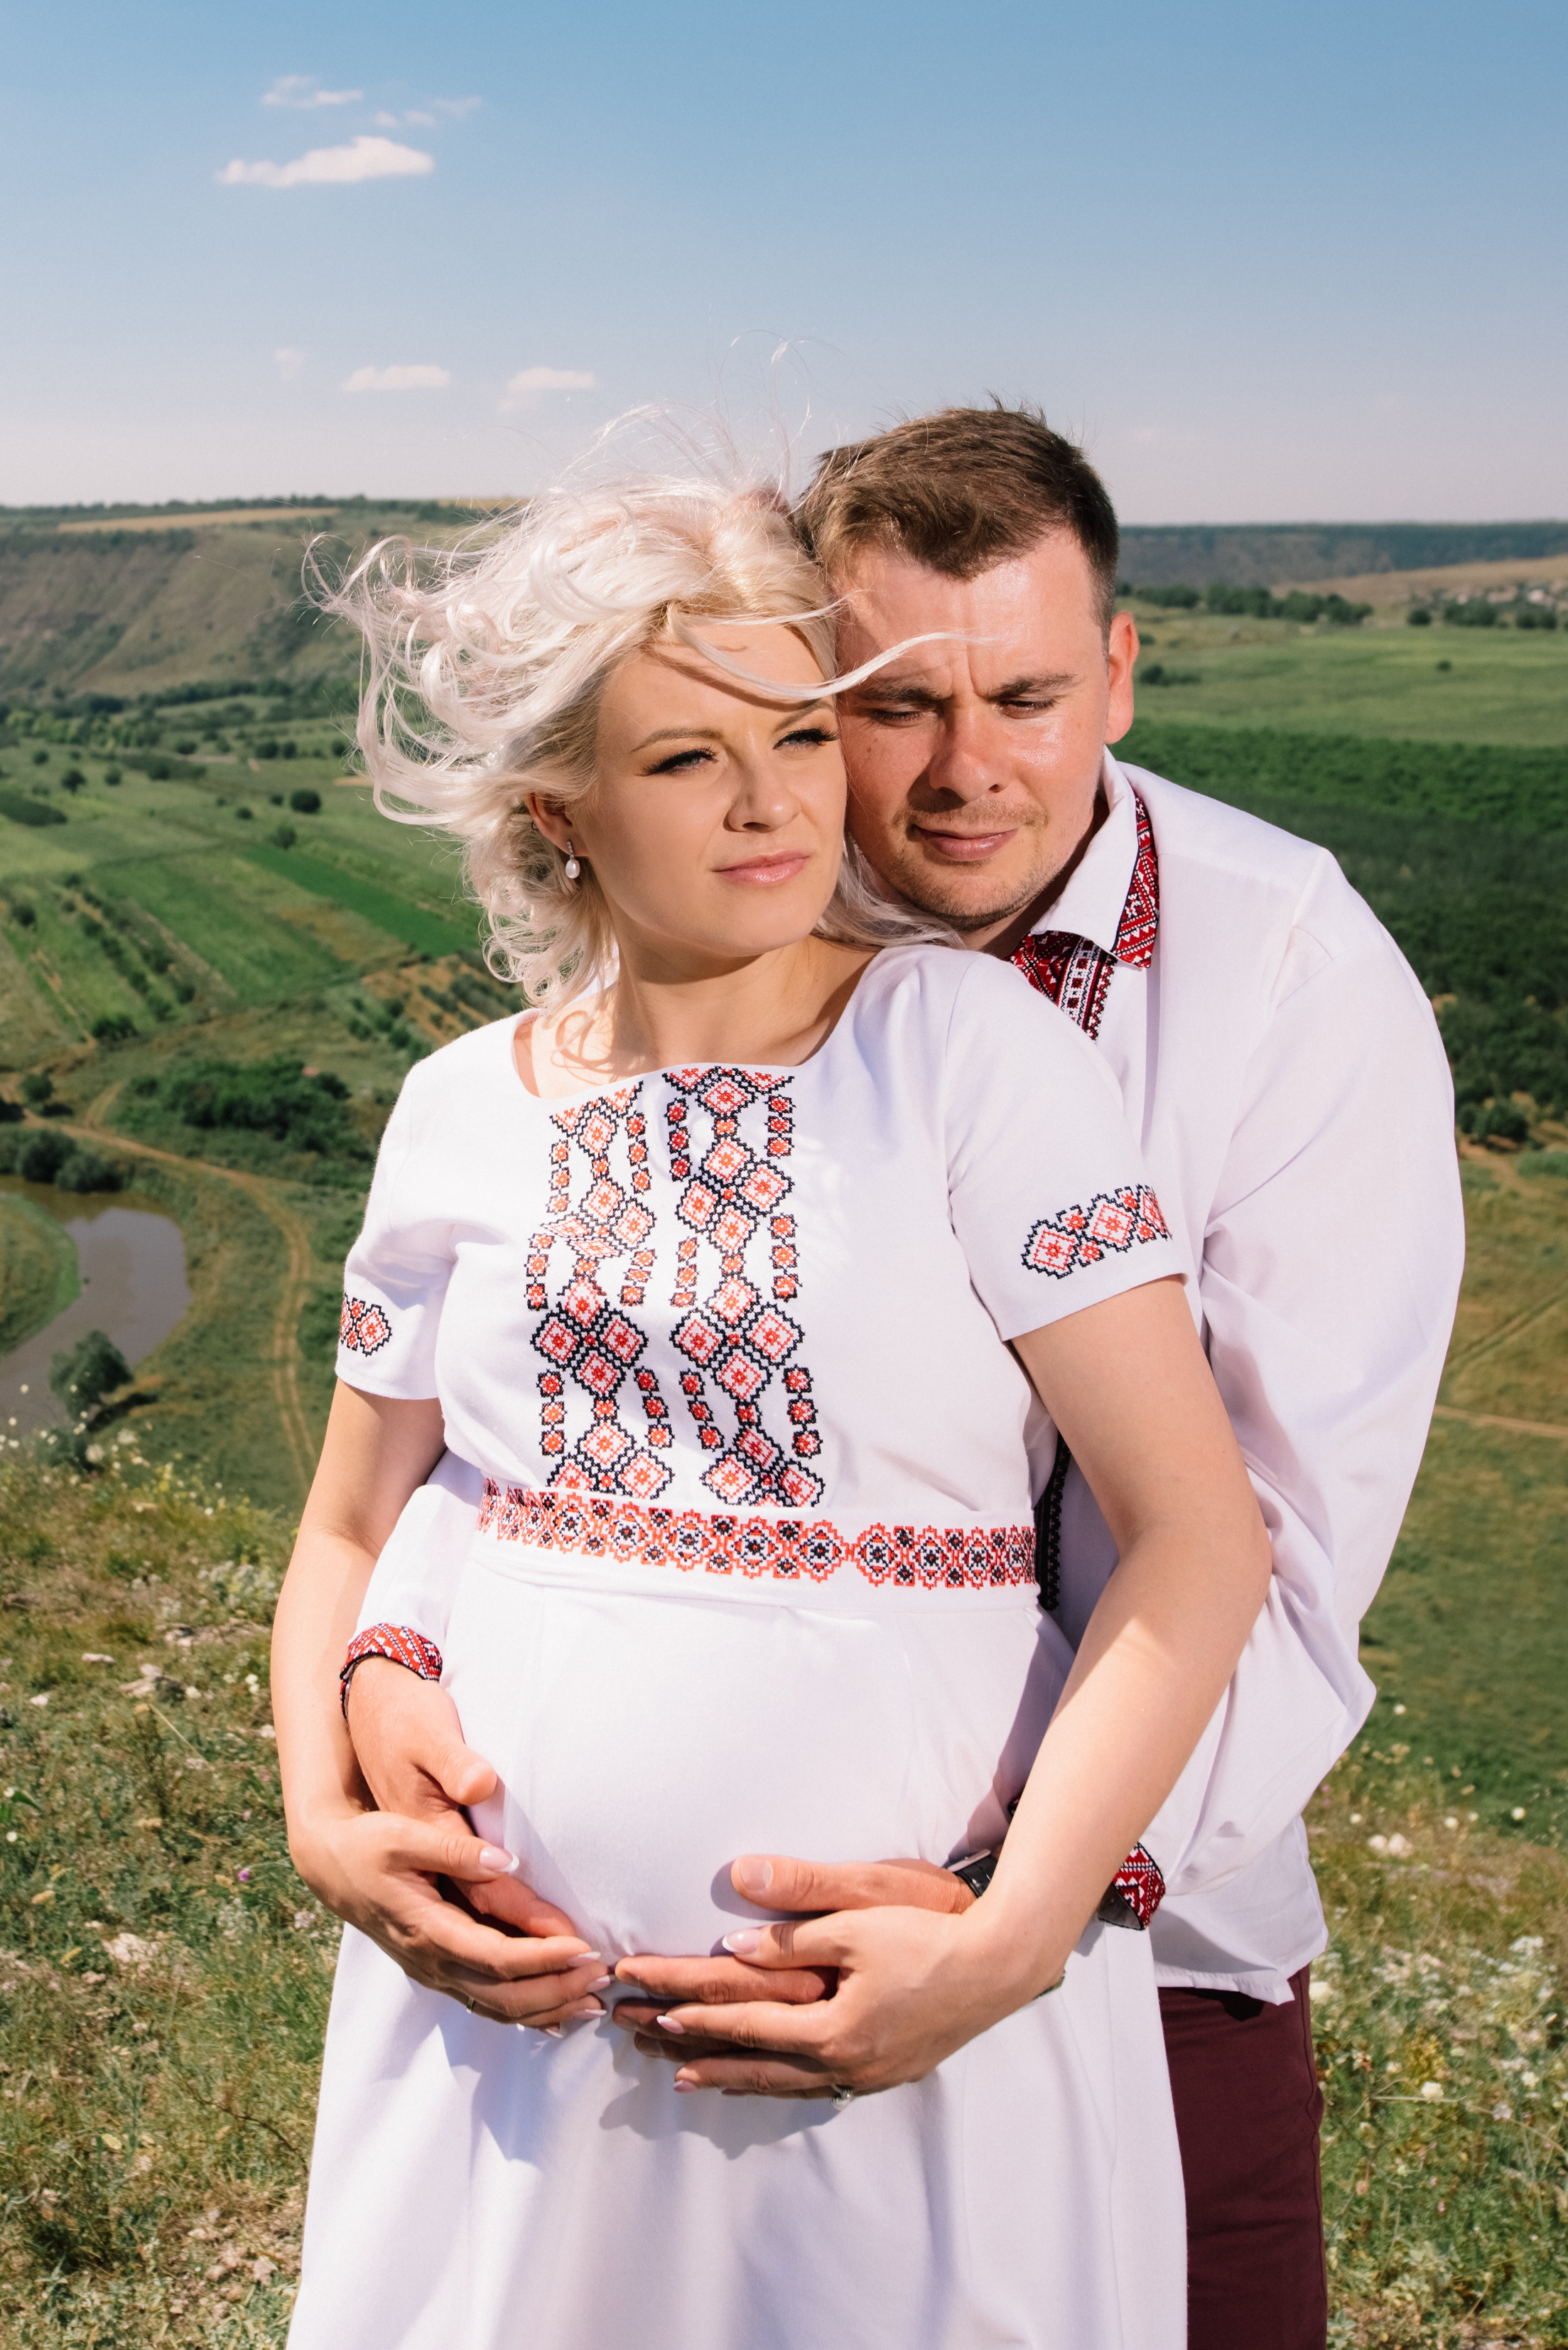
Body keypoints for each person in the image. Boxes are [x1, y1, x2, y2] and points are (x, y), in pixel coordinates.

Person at [333, 411, 1465, 2350]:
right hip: (581, 2047)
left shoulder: (1294, 980)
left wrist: (1023, 1917)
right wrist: (385, 1660)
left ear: (1119, 668)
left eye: (1026, 695)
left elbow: (1265, 1546)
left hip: (1144, 1930)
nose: (960, 772)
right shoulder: (749, 908)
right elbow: (514, 1431)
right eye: (890, 704)